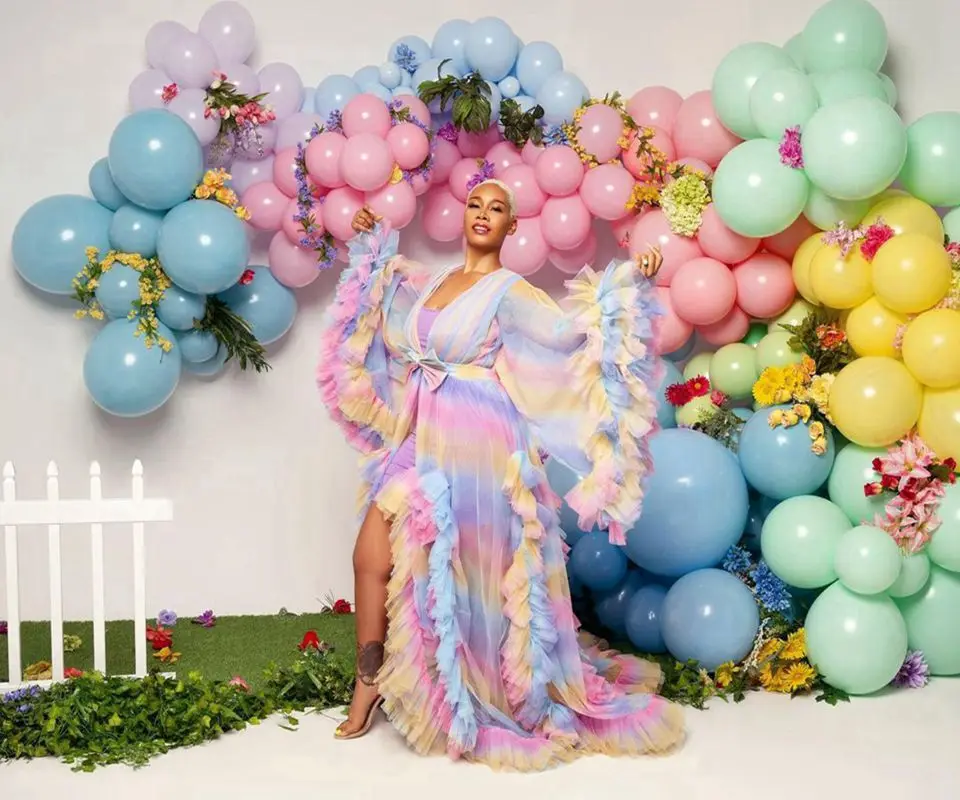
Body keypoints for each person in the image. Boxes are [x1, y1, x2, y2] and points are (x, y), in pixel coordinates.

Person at [317, 177, 683, 771]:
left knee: (470, 568)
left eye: (497, 209)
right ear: (464, 215)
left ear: (512, 227)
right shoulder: (433, 280)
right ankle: (369, 678)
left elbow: (565, 335)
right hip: (421, 429)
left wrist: (627, 286)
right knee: (371, 556)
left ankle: (474, 684)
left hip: (478, 441)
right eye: (476, 204)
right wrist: (371, 244)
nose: (483, 214)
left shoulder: (510, 291)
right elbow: (389, 309)